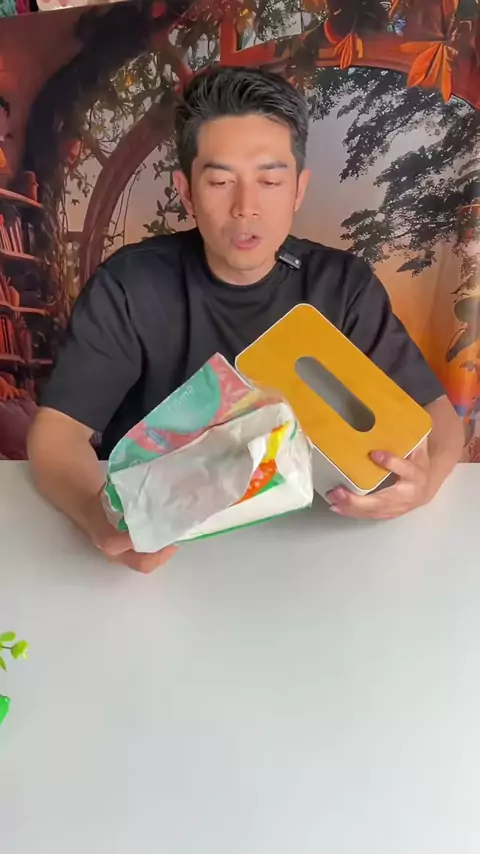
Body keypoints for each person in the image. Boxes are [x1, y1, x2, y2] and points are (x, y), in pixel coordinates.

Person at [28, 66, 464, 573]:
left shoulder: (342, 286)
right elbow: (57, 436)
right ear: (186, 192)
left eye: (270, 180)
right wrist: (98, 518)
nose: (245, 207)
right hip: (170, 544)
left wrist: (423, 485)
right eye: (219, 181)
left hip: (314, 545)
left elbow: (437, 419)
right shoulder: (130, 285)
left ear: (298, 189)